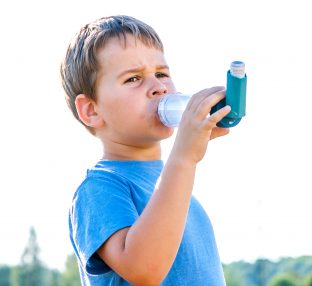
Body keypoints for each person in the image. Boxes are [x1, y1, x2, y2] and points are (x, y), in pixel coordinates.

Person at [60, 15, 232, 285]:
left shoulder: (173, 183)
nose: (159, 87)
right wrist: (184, 158)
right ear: (91, 110)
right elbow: (144, 270)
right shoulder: (98, 189)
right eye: (133, 79)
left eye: (162, 74)